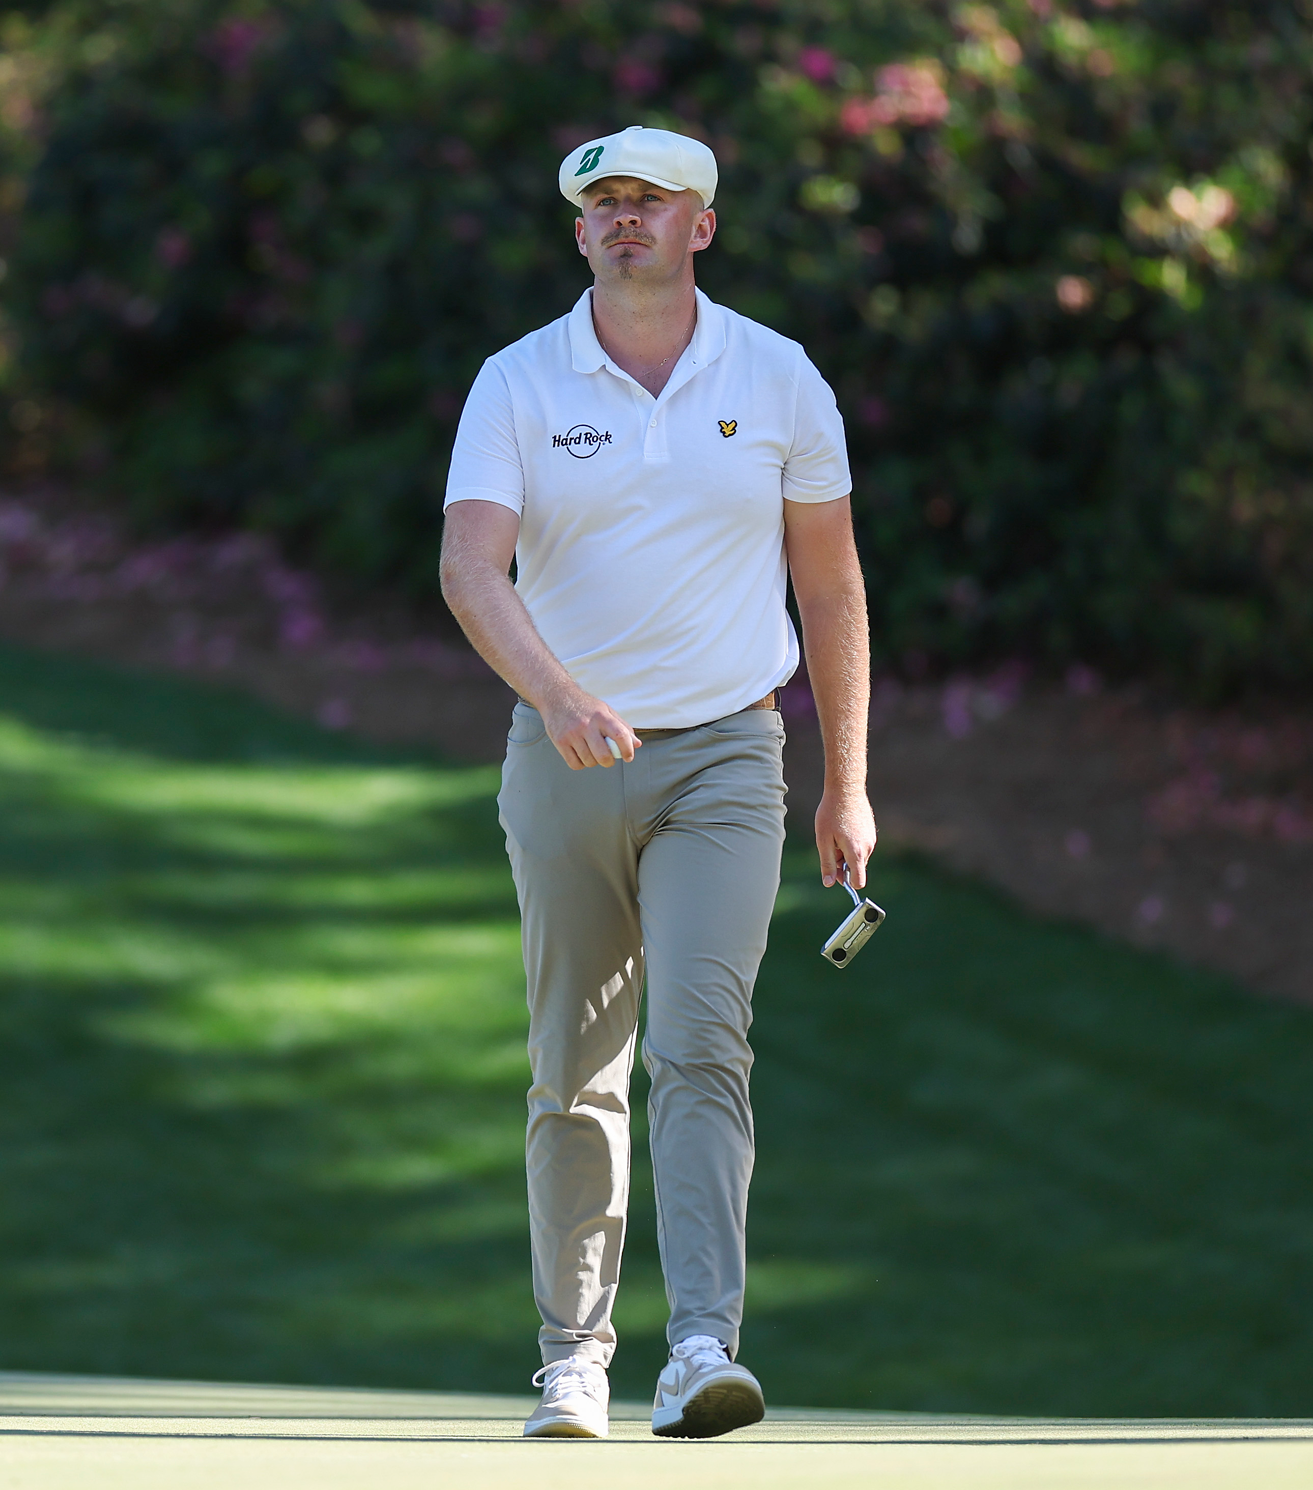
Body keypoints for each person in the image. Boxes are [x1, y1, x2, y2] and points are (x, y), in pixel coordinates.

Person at [436, 124, 875, 1440]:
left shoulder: (781, 378)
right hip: (566, 757)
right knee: (575, 1065)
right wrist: (557, 695)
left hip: (728, 757)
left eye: (652, 201)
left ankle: (698, 1348)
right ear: (579, 233)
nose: (626, 219)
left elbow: (832, 582)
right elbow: (471, 569)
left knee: (698, 1041)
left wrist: (846, 782)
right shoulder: (518, 382)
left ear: (703, 225)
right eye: (603, 203)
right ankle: (573, 1357)